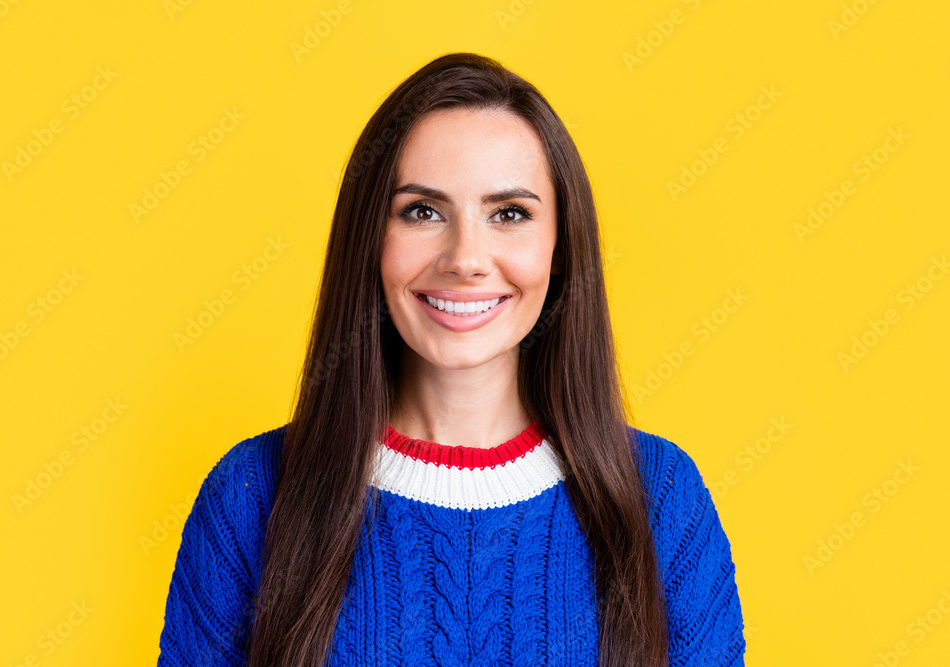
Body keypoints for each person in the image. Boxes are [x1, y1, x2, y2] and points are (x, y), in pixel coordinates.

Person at [157, 52, 745, 667]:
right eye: (423, 212)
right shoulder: (251, 494)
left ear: (559, 247)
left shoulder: (662, 497)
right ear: (370, 242)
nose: (466, 258)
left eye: (509, 214)